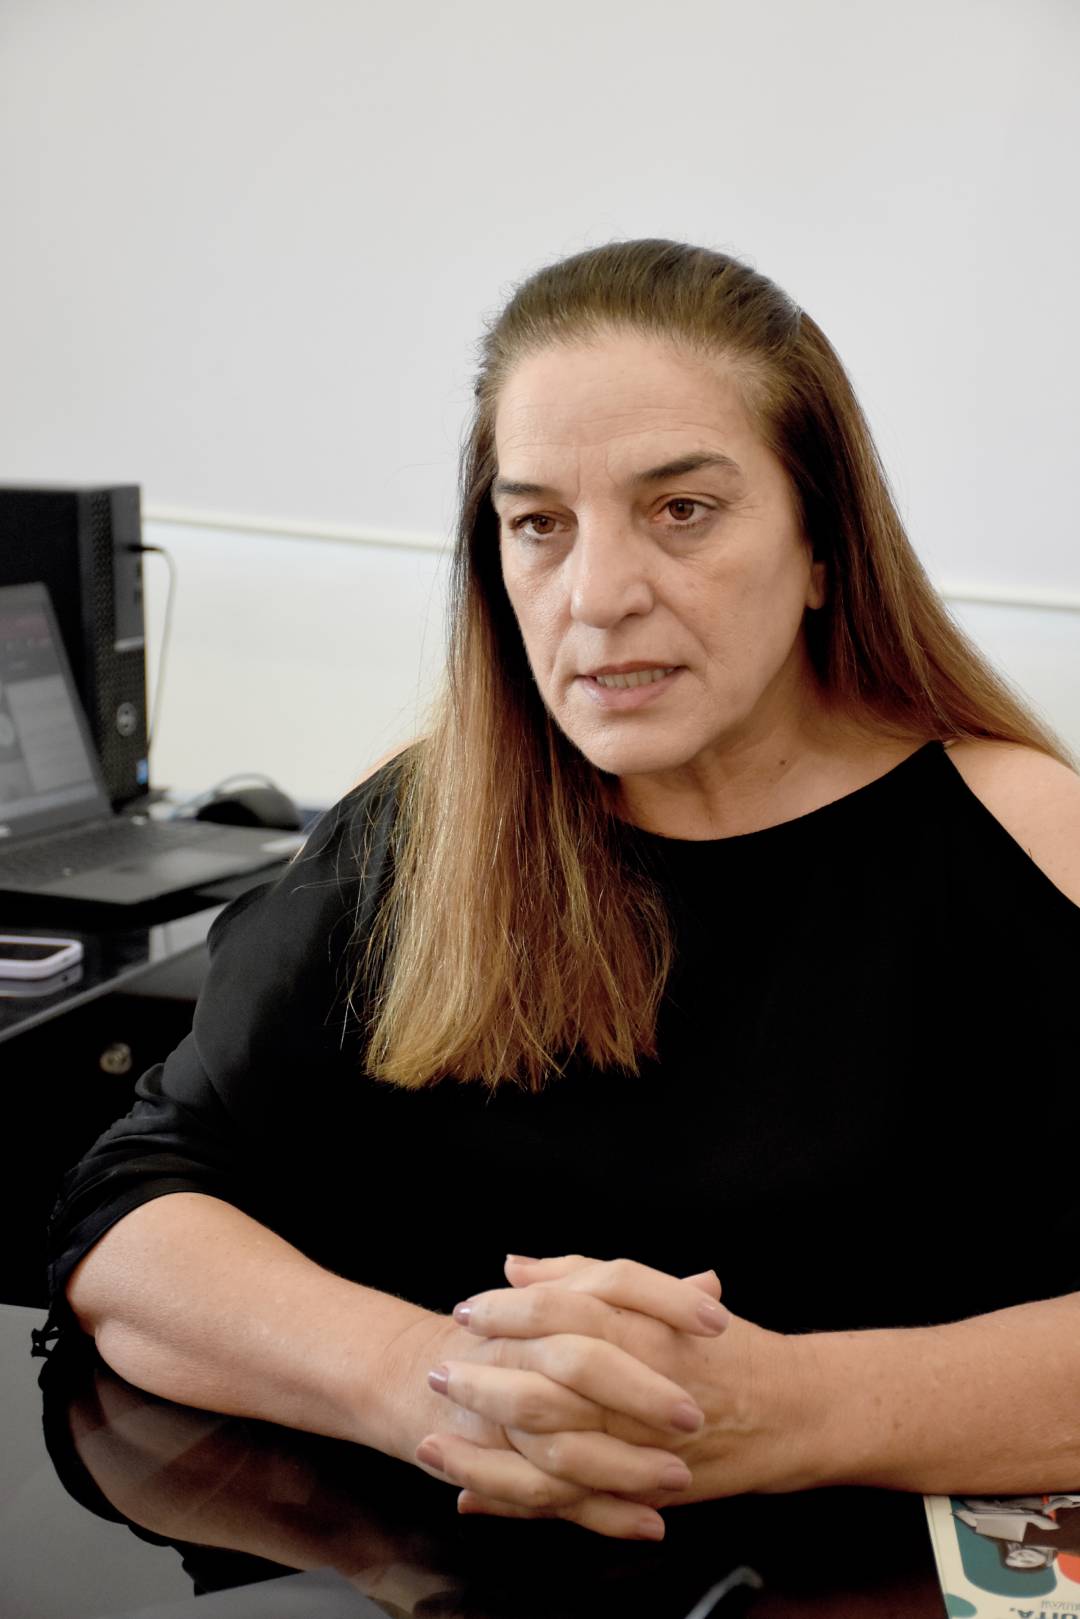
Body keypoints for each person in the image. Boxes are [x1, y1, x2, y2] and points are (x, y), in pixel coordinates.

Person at [48, 239, 1080, 1543]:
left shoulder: (1028, 839)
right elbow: (130, 1211)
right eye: (539, 524)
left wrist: (792, 1410)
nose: (597, 597)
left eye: (682, 510)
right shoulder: (423, 828)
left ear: (824, 542)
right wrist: (434, 1384)